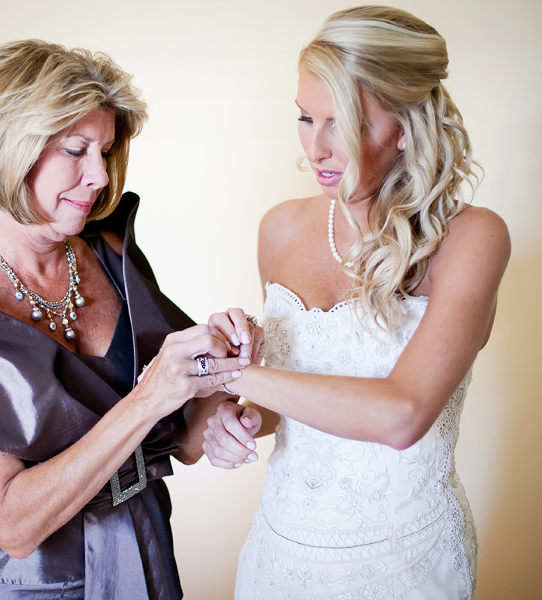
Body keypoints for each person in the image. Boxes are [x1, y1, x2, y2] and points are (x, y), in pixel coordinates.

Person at [0, 40, 259, 599]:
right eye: (76, 150)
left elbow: (178, 442)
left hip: (144, 550)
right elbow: (13, 526)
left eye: (104, 151)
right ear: (7, 149)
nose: (99, 176)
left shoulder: (106, 252)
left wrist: (218, 400)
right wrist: (150, 395)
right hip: (29, 585)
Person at [202, 6, 510, 599]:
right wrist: (239, 418)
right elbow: (291, 399)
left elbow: (402, 414)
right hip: (280, 554)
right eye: (304, 117)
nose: (316, 147)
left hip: (406, 561)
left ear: (404, 124)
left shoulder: (472, 239)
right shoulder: (280, 230)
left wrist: (235, 374)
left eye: (341, 123)